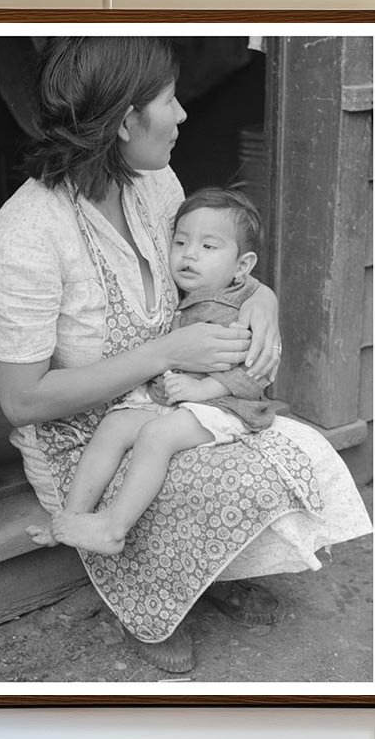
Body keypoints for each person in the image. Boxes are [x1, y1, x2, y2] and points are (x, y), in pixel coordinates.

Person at [0, 36, 371, 674]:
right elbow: (22, 401)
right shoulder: (24, 236)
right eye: (167, 100)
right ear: (127, 119)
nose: (184, 113)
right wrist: (169, 350)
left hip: (169, 395)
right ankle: (152, 601)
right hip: (86, 442)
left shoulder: (155, 182)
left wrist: (261, 297)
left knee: (290, 449)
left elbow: (209, 264)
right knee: (231, 471)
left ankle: (207, 570)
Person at [43, 185, 288, 557]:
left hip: (228, 409)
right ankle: (71, 517)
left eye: (209, 247)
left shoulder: (243, 309)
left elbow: (256, 375)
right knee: (114, 425)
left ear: (242, 266)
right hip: (179, 401)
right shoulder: (181, 291)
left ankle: (114, 527)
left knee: (157, 436)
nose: (190, 255)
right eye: (181, 243)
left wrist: (201, 389)